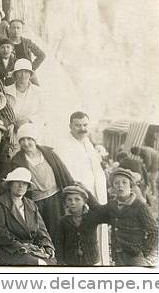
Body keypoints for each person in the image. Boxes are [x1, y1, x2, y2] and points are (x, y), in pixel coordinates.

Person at [53, 111, 109, 265]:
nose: (82, 128)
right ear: (70, 126)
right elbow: (66, 175)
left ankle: (100, 263)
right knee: (82, 235)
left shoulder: (88, 143)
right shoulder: (64, 145)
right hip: (79, 200)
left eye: (85, 125)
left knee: (96, 234)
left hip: (96, 196)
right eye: (78, 125)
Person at [11, 123, 74, 243]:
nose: (26, 143)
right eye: (22, 140)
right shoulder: (17, 160)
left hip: (54, 198)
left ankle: (59, 258)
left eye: (29, 139)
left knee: (58, 229)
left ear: (35, 139)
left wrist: (72, 192)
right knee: (40, 232)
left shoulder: (49, 153)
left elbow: (64, 173)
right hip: (35, 201)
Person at [0, 168, 56, 265]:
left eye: (24, 183)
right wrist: (20, 246)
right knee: (40, 264)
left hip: (31, 248)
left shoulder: (31, 205)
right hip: (10, 250)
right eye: (17, 182)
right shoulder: (0, 203)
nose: (21, 186)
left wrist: (47, 246)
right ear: (10, 184)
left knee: (52, 262)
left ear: (28, 186)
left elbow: (41, 230)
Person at [95, 168, 158, 266]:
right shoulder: (112, 205)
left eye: (124, 182)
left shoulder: (140, 206)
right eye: (116, 183)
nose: (120, 185)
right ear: (113, 188)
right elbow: (98, 210)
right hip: (118, 256)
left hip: (135, 257)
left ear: (131, 186)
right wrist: (87, 194)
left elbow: (154, 231)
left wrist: (144, 252)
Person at [55, 185, 103, 266]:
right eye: (69, 200)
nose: (73, 202)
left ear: (84, 201)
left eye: (77, 199)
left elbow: (99, 210)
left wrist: (87, 193)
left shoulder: (91, 217)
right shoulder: (63, 221)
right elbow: (58, 242)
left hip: (91, 259)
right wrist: (61, 262)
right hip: (71, 261)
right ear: (65, 202)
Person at [4, 59, 44, 124]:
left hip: (32, 129)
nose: (23, 75)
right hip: (10, 129)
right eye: (20, 72)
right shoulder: (6, 91)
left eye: (26, 72)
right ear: (15, 74)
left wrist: (29, 120)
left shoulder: (38, 92)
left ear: (30, 74)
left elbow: (43, 113)